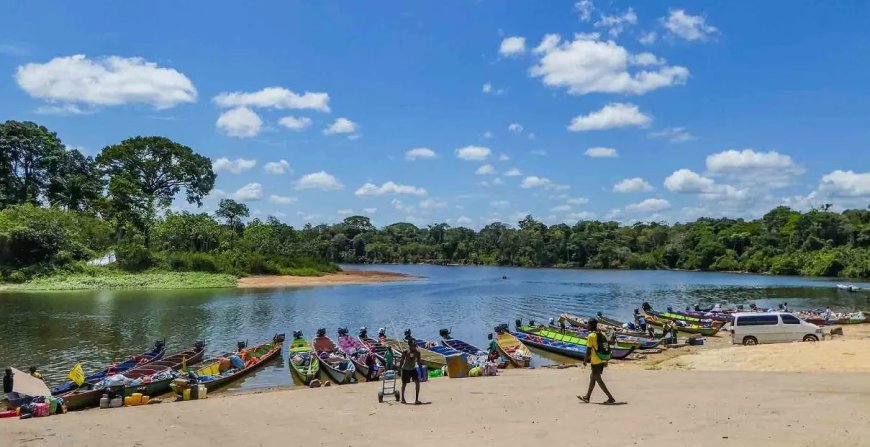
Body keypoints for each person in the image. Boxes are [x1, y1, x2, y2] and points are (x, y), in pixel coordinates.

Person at [578, 319, 615, 405]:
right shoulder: (602, 333)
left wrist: (585, 360)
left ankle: (611, 398)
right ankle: (587, 397)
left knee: (598, 380)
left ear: (591, 325)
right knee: (592, 378)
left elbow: (588, 349)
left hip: (595, 360)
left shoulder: (591, 336)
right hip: (602, 359)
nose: (587, 326)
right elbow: (606, 345)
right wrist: (605, 360)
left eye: (588, 324)